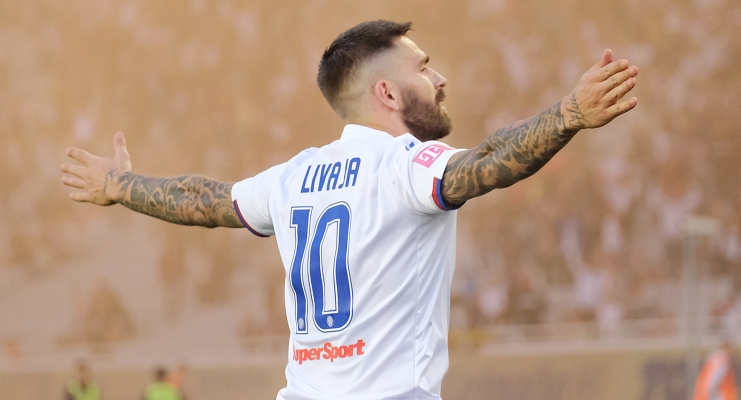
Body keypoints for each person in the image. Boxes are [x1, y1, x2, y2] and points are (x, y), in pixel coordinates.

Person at [61, 20, 638, 400]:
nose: (440, 80)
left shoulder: (293, 177)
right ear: (386, 93)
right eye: (424, 68)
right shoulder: (404, 165)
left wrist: (120, 186)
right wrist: (568, 115)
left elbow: (201, 200)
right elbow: (486, 163)